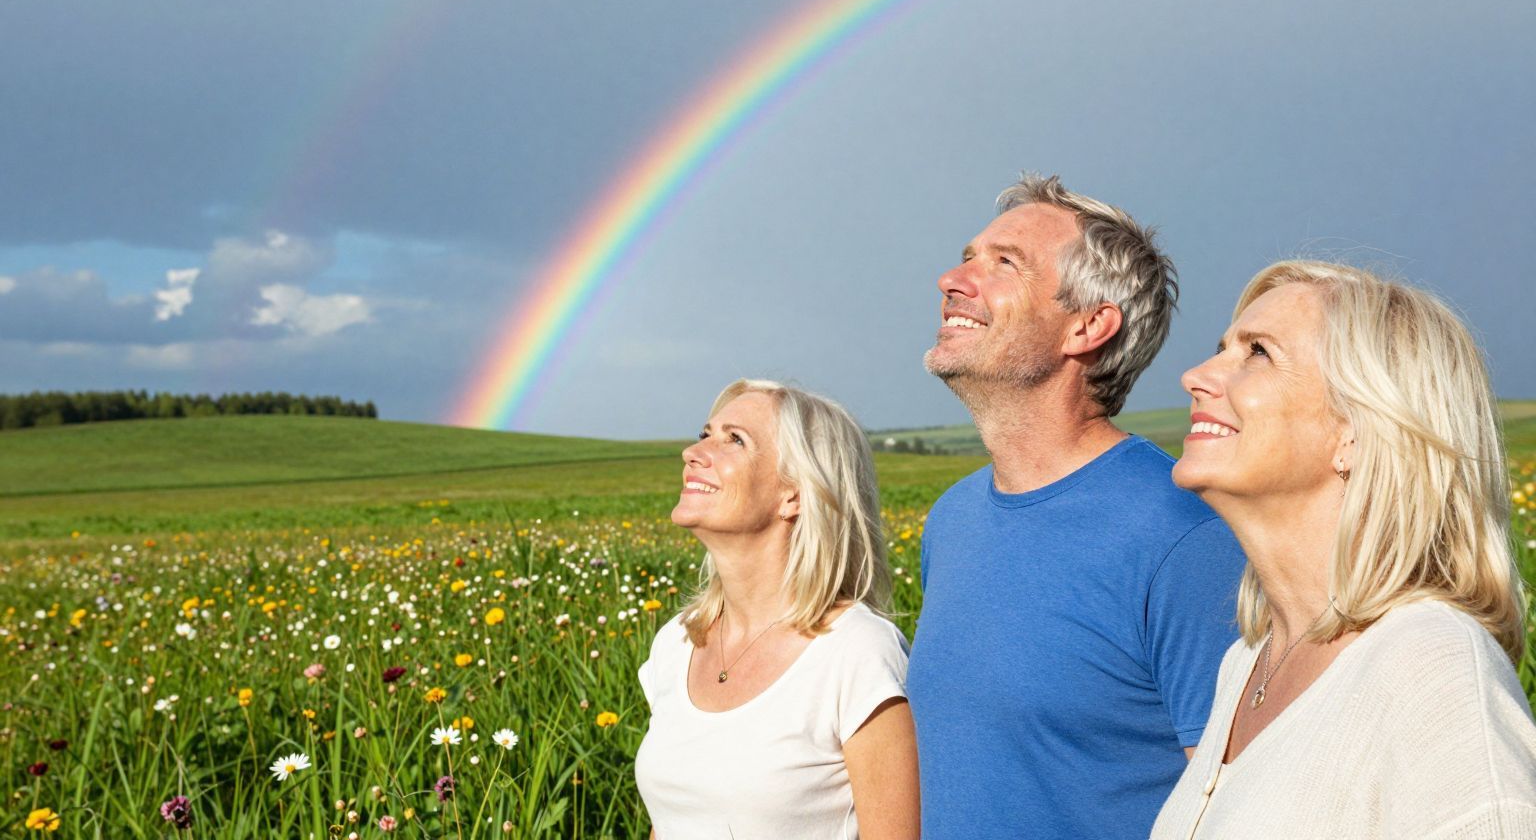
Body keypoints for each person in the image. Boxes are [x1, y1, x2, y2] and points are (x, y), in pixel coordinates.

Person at [907, 173, 1247, 840]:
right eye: (969, 254)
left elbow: (1236, 805)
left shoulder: (1186, 534)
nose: (953, 279)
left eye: (1005, 262)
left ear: (1089, 326)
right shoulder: (951, 521)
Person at [1151, 260, 1536, 838]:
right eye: (1223, 347)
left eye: (1258, 353)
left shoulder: (1434, 667)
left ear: (1356, 430)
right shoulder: (1247, 663)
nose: (1196, 376)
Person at [635, 379, 919, 840]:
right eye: (705, 433)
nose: (694, 451)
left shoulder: (858, 652)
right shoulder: (677, 643)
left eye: (735, 440)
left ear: (795, 493)